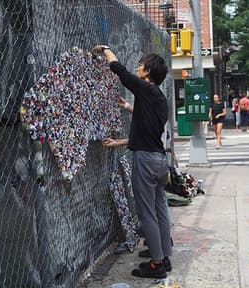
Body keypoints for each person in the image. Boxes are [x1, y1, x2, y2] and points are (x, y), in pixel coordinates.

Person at [92, 45, 172, 279]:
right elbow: (145, 130)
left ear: (148, 72)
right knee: (160, 211)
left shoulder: (144, 88)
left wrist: (106, 50)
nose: (138, 67)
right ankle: (164, 257)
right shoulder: (158, 98)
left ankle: (156, 264)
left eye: (141, 65)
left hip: (145, 162)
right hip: (159, 161)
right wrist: (126, 109)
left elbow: (119, 70)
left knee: (146, 213)